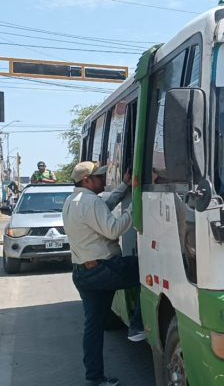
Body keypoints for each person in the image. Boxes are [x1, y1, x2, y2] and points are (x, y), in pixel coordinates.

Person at [63, 161, 146, 386]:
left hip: (83, 272)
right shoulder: (89, 202)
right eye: (99, 177)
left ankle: (95, 378)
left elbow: (104, 207)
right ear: (86, 180)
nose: (103, 180)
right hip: (102, 270)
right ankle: (138, 325)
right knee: (146, 271)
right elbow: (113, 229)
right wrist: (135, 204)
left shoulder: (72, 201)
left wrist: (124, 186)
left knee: (93, 328)